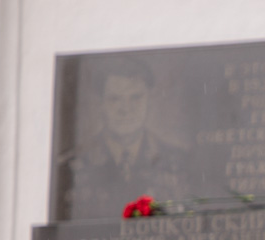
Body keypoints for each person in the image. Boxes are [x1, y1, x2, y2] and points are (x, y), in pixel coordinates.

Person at [57, 56, 190, 220]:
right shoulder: (69, 168)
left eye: (136, 98)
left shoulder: (180, 162)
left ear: (149, 100)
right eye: (114, 99)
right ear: (101, 105)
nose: (125, 110)